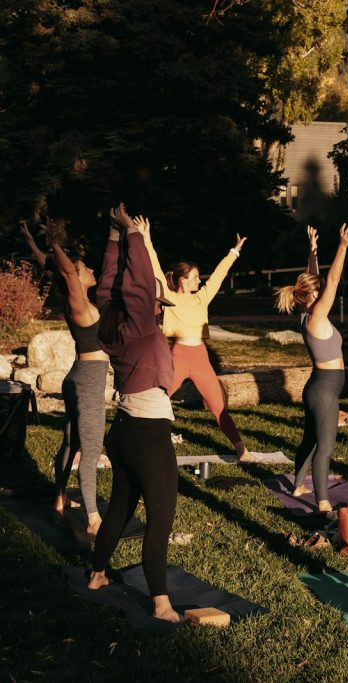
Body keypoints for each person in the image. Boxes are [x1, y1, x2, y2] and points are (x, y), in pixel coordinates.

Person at [89, 204, 180, 623]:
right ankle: (161, 604)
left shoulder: (110, 322)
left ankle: (97, 574)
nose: (157, 306)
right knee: (160, 518)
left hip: (122, 431)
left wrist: (113, 237)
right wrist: (133, 234)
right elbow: (139, 285)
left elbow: (110, 287)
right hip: (146, 435)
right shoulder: (141, 325)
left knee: (121, 508)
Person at [144, 233, 251, 459]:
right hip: (178, 357)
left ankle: (241, 450)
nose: (199, 281)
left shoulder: (202, 297)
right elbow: (155, 269)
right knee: (157, 400)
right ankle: (143, 440)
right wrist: (146, 238)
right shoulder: (170, 298)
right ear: (183, 280)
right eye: (194, 277)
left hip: (201, 358)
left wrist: (234, 251)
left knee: (218, 406)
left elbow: (219, 275)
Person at [275, 224, 348, 513]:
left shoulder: (306, 313)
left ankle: (298, 483)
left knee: (311, 439)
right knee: (325, 447)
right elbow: (331, 282)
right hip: (324, 389)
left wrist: (313, 250)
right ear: (313, 295)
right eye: (318, 290)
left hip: (319, 386)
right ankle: (322, 502)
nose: (323, 291)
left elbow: (317, 280)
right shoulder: (316, 316)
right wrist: (342, 247)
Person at [42, 219, 109, 537]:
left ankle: (60, 497)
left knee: (72, 442)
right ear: (76, 279)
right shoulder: (79, 304)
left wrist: (39, 244)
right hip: (88, 380)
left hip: (78, 376)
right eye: (84, 267)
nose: (88, 268)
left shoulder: (79, 303)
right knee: (92, 447)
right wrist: (54, 242)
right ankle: (94, 518)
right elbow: (66, 271)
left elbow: (57, 269)